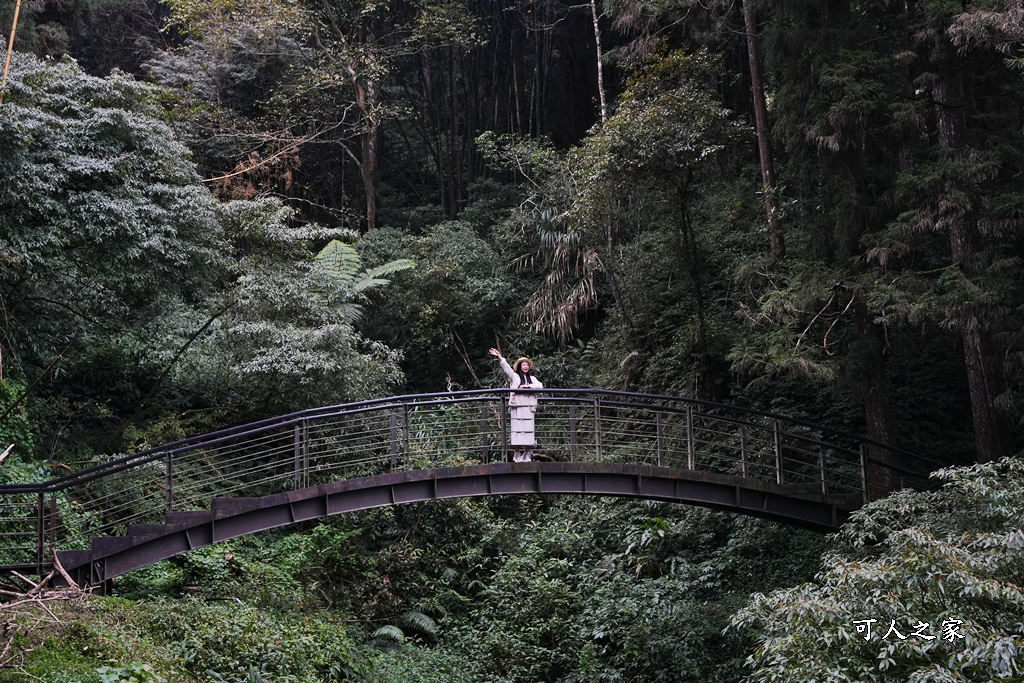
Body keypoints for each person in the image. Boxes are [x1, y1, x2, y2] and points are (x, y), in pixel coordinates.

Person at [489, 348, 543, 462]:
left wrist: (528, 387)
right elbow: (507, 369)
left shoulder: (532, 379)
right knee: (517, 429)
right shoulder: (515, 377)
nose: (526, 367)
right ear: (520, 367)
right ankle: (517, 452)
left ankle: (527, 452)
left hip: (528, 407)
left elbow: (540, 386)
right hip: (517, 406)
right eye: (523, 365)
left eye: (527, 365)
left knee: (529, 429)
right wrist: (500, 357)